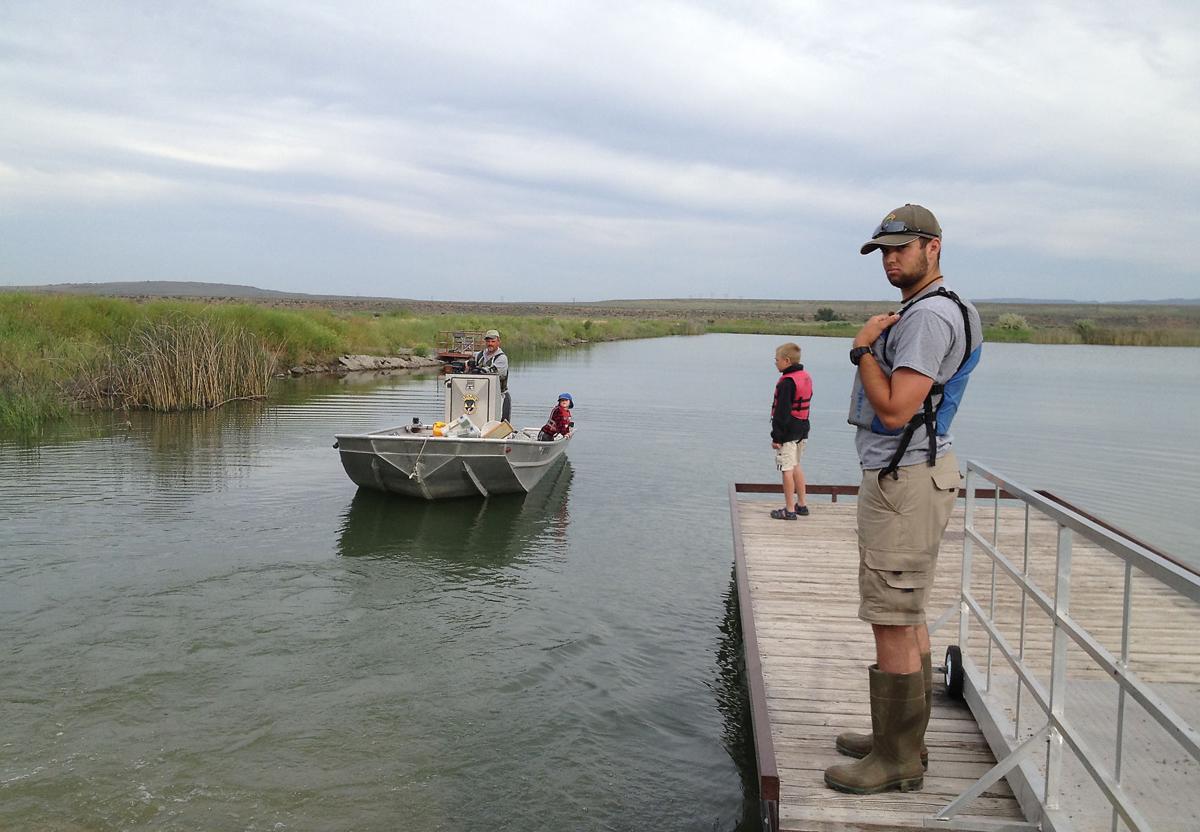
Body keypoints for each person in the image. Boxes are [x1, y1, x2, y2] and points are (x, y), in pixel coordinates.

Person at [824, 204, 982, 796]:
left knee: (891, 616)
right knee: (907, 611)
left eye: (901, 248)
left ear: (932, 247)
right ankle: (902, 739)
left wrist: (862, 349)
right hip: (918, 474)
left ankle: (896, 760)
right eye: (884, 251)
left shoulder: (926, 318)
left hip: (904, 479)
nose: (890, 260)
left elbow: (894, 410)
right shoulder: (947, 307)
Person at [769, 342, 812, 519]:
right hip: (802, 428)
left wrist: (776, 437)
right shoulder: (805, 377)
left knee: (786, 468)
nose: (775, 363)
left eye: (777, 360)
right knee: (795, 465)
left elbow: (782, 412)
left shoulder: (787, 383)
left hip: (788, 431)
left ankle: (789, 510)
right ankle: (802, 504)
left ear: (786, 361)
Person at [471, 328, 511, 422]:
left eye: (493, 341)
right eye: (488, 341)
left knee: (498, 424)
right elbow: (469, 366)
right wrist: (467, 365)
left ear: (498, 342)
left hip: (499, 397)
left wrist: (477, 370)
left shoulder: (502, 358)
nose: (490, 344)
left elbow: (491, 373)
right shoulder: (479, 355)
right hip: (481, 397)